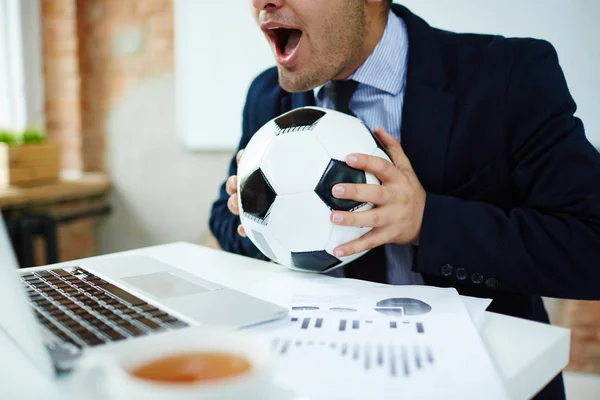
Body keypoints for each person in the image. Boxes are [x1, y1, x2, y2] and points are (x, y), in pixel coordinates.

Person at [209, 1, 600, 398]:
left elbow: (591, 244)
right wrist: (259, 222)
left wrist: (426, 223)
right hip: (319, 378)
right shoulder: (267, 95)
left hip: (472, 383)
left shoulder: (509, 73)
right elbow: (222, 219)